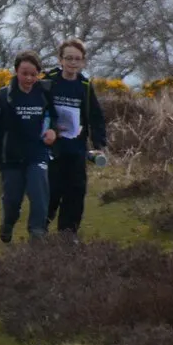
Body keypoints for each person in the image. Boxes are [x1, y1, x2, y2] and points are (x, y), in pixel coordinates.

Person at [0, 51, 56, 242]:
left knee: (39, 191)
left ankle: (37, 231)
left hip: (37, 153)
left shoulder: (45, 94)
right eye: (24, 73)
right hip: (11, 156)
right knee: (12, 200)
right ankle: (8, 223)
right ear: (16, 71)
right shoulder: (4, 96)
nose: (29, 78)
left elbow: (54, 118)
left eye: (33, 74)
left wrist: (53, 131)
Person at [47, 39, 110, 237]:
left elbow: (96, 117)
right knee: (51, 192)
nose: (73, 63)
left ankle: (68, 234)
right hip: (51, 148)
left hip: (76, 149)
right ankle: (39, 230)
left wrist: (99, 145)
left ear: (83, 62)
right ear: (60, 59)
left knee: (75, 192)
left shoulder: (84, 85)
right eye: (68, 58)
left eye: (77, 59)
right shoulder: (48, 81)